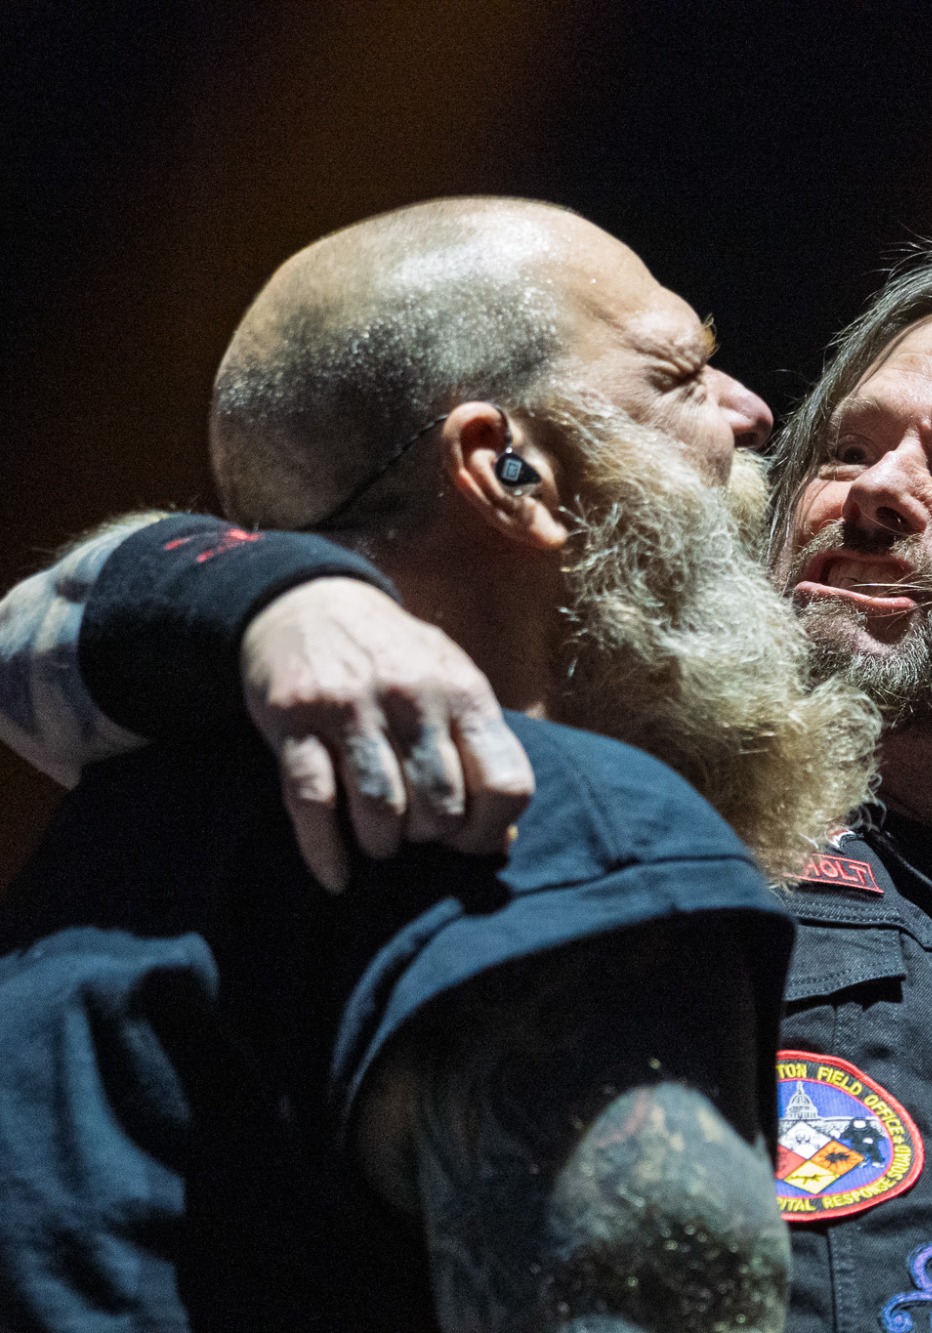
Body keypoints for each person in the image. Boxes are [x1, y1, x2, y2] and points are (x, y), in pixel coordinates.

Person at [0, 248, 932, 1332]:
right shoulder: (633, 819)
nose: (876, 492)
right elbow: (52, 626)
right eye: (844, 448)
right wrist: (284, 601)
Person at [0, 197, 878, 1331]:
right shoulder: (572, 832)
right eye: (680, 375)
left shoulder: (106, 832)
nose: (752, 412)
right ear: (508, 471)